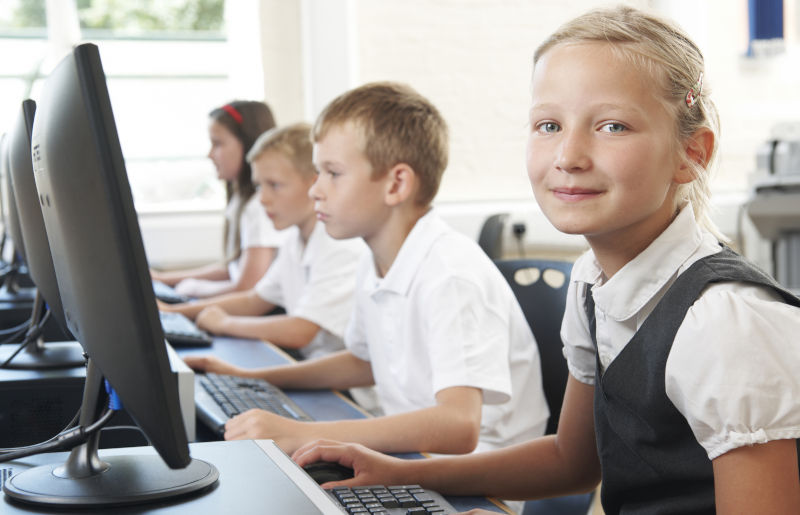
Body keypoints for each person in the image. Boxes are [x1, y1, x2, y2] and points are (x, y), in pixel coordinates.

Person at [290, 6, 800, 514]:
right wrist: (401, 471)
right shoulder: (593, 282)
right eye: (549, 124)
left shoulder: (724, 323)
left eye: (613, 126)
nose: (569, 155)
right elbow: (571, 462)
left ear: (693, 153)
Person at [184, 82, 549, 465]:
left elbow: (459, 426)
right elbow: (364, 362)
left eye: (332, 173)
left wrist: (304, 433)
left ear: (396, 184)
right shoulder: (374, 260)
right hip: (413, 455)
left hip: (479, 474)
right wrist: (252, 377)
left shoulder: (450, 275)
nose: (315, 191)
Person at [163, 122, 365, 360]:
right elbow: (255, 300)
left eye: (274, 185)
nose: (263, 199)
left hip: (348, 388)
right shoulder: (295, 240)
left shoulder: (340, 245)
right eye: (259, 186)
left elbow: (301, 331)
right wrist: (174, 313)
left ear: (314, 184)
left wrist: (225, 323)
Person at [151, 100, 284, 298]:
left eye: (218, 144)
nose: (210, 154)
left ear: (248, 145)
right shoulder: (242, 201)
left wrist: (195, 290)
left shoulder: (260, 206)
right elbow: (232, 269)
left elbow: (248, 287)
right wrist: (164, 279)